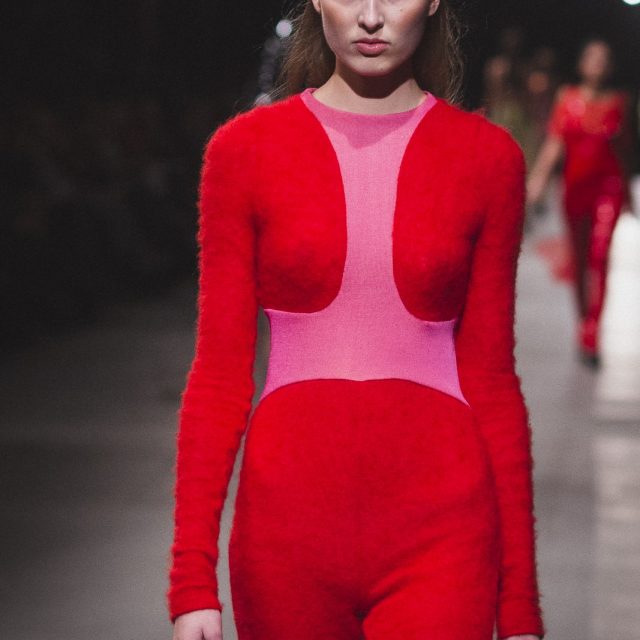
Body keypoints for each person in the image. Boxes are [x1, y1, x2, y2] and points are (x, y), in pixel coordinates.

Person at [167, 1, 546, 639]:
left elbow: (492, 383)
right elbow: (219, 377)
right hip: (286, 538)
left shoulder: (487, 158)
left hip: (445, 532)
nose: (371, 16)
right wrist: (191, 582)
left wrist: (519, 606)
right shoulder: (244, 152)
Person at [527, 38, 635, 367]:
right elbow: (554, 143)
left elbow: (626, 151)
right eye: (592, 57)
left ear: (611, 66)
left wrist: (629, 194)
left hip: (608, 188)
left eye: (604, 58)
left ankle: (591, 332)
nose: (597, 63)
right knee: (579, 259)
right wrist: (537, 182)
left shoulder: (620, 102)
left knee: (599, 257)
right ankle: (582, 320)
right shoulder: (567, 98)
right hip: (574, 189)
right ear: (582, 63)